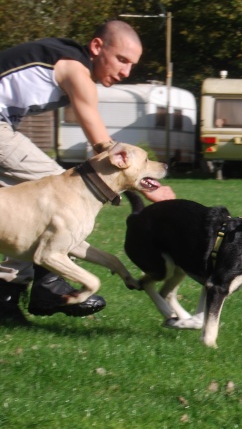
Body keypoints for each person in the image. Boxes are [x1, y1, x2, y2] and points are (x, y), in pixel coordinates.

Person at [0, 20, 176, 324]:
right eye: (122, 60)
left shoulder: (66, 58)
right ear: (96, 47)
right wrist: (147, 185)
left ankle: (6, 300)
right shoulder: (76, 71)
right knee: (56, 191)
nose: (126, 72)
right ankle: (48, 285)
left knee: (24, 212)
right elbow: (103, 146)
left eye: (132, 64)